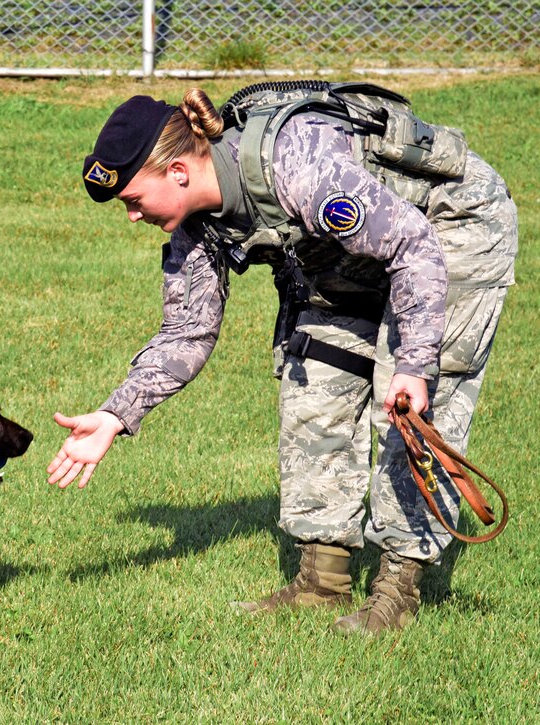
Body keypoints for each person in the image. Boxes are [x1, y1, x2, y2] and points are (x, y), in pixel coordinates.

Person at [47, 83, 516, 635]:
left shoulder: (299, 164)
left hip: (449, 227)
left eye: (133, 200)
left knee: (411, 406)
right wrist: (116, 414)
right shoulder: (196, 225)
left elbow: (411, 246)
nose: (131, 216)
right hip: (350, 252)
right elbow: (187, 332)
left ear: (177, 171)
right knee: (315, 378)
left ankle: (399, 587)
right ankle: (322, 580)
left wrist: (414, 361)